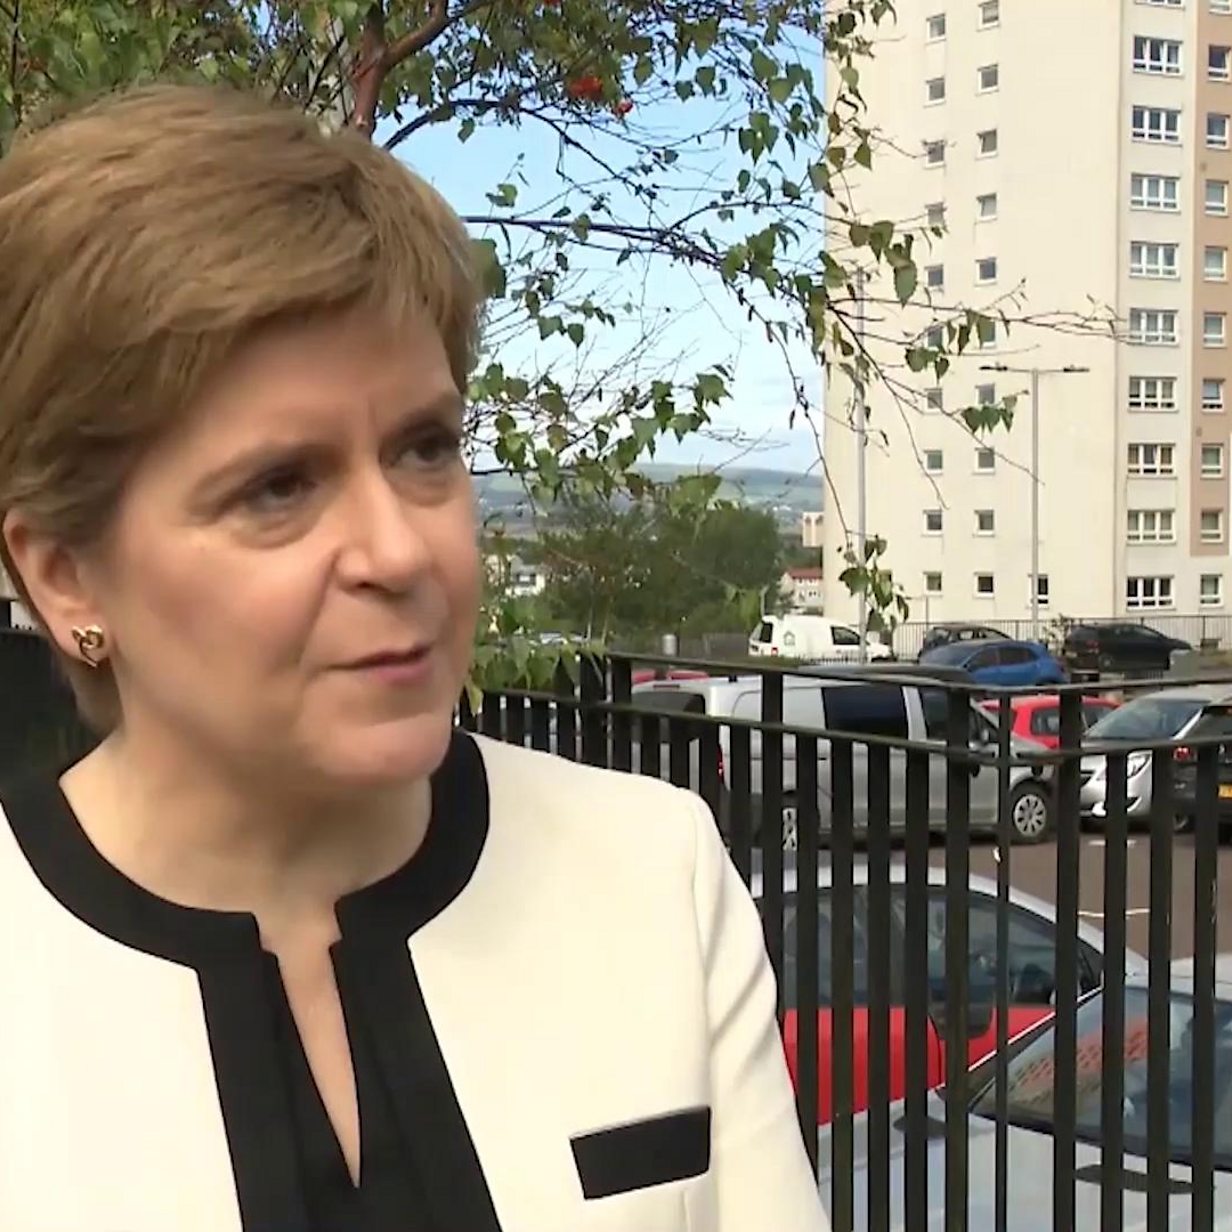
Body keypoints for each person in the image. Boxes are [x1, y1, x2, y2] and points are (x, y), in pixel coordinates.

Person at [0, 84, 828, 1232]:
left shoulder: (651, 874)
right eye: (279, 485)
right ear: (66, 577)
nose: (400, 549)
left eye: (425, 448)